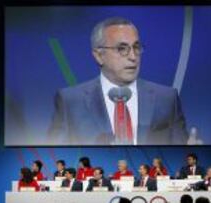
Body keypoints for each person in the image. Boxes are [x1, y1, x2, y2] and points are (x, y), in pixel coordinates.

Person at [48, 16, 188, 145]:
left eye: (136, 47)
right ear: (99, 56)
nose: (133, 56)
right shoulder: (70, 101)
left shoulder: (167, 98)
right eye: (122, 49)